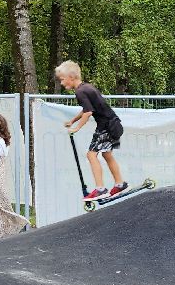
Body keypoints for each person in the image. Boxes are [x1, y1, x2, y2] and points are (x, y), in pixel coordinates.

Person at [54, 60, 126, 201]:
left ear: (71, 77)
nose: (62, 83)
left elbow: (88, 113)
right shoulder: (86, 87)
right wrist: (73, 121)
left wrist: (77, 128)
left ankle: (100, 189)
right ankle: (120, 184)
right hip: (114, 124)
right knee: (106, 154)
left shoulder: (80, 92)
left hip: (106, 127)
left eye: (62, 80)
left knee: (91, 155)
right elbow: (86, 109)